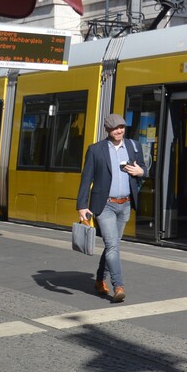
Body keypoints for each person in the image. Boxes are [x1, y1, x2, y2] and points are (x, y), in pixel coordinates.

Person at [76, 113, 146, 303]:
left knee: (111, 245)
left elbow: (144, 170)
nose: (119, 131)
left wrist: (142, 172)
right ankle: (118, 286)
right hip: (105, 205)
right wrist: (82, 205)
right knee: (113, 246)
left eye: (122, 127)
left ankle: (99, 280)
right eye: (115, 128)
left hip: (125, 205)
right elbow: (86, 178)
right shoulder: (96, 150)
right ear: (107, 129)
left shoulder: (133, 146)